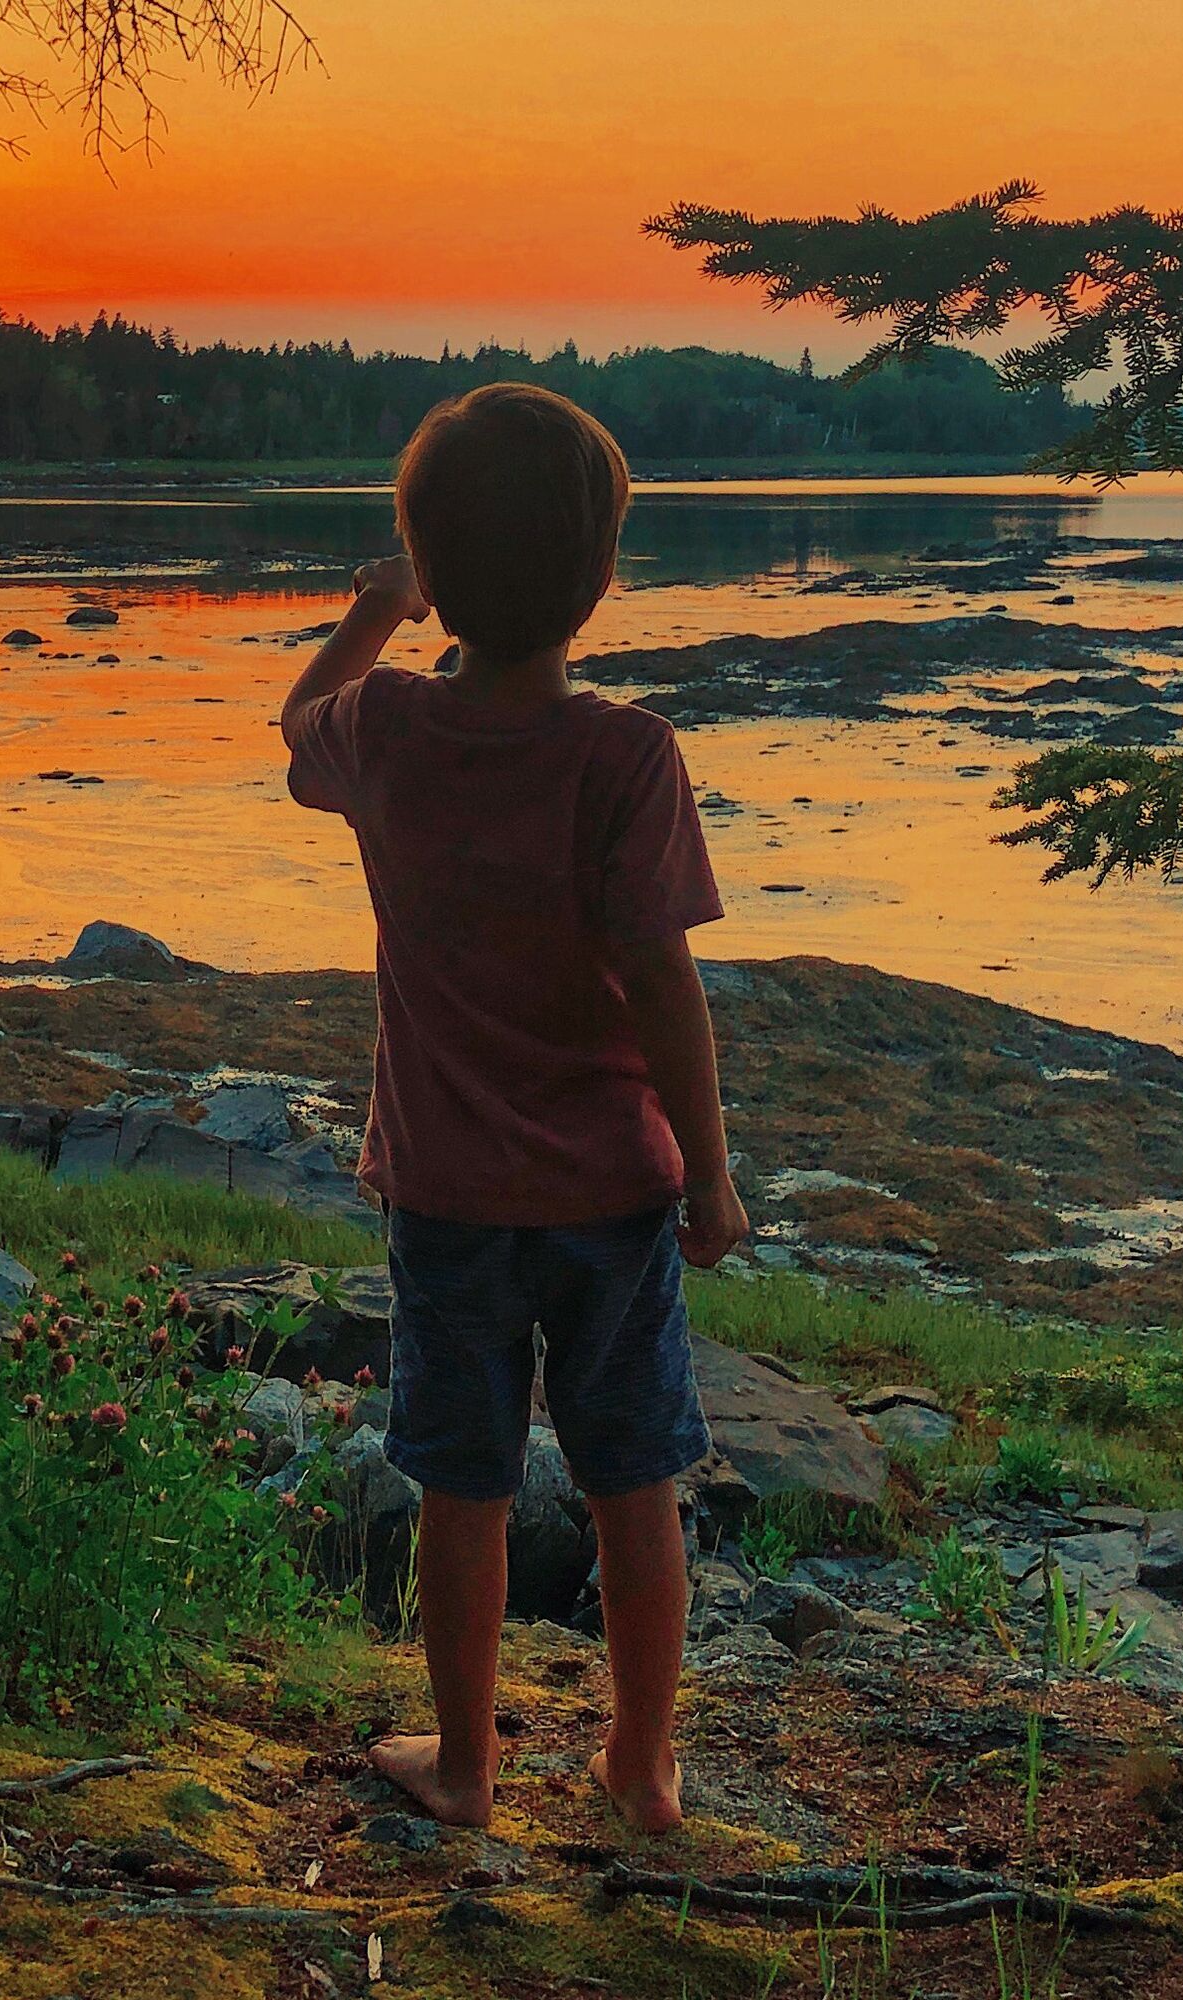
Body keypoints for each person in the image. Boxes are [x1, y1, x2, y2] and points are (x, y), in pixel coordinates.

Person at [278, 382, 748, 1836]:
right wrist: (713, 1178)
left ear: (435, 566)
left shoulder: (393, 734)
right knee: (637, 1476)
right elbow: (666, 989)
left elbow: (297, 729)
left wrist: (376, 610)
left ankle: (470, 1769)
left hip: (447, 1192)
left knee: (462, 1485)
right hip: (611, 1185)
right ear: (601, 580)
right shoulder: (624, 756)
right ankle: (641, 1764)